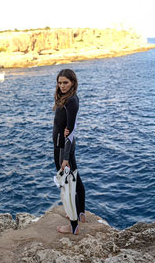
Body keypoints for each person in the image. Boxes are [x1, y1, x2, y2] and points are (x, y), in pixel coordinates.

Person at [52, 69, 86, 235]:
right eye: (59, 82)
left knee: (67, 187)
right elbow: (68, 129)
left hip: (63, 149)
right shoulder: (68, 99)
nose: (62, 86)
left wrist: (64, 157)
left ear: (73, 82)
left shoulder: (71, 101)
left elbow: (70, 132)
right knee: (76, 180)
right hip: (65, 147)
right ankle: (80, 213)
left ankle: (73, 226)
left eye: (65, 82)